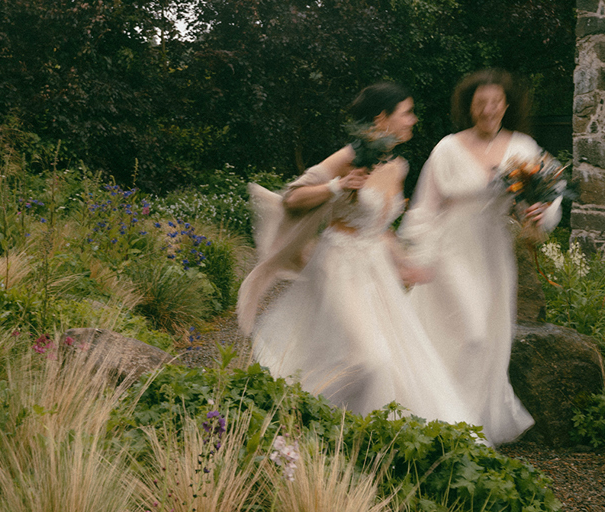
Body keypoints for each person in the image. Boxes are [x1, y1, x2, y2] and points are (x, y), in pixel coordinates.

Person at [237, 83, 476, 425]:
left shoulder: (397, 166)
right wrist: (338, 185)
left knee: (393, 363)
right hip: (339, 263)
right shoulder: (349, 156)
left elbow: (379, 226)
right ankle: (294, 416)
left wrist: (404, 262)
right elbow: (293, 197)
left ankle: (353, 433)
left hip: (375, 269)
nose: (413, 120)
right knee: (368, 359)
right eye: (406, 112)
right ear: (382, 117)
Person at [398, 69, 562, 446]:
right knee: (468, 333)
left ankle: (467, 427)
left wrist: (540, 212)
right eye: (480, 103)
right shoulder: (448, 148)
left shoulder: (524, 146)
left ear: (507, 105)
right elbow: (424, 207)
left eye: (496, 102)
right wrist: (414, 256)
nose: (489, 109)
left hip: (492, 253)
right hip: (450, 251)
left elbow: (546, 198)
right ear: (469, 108)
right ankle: (446, 421)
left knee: (486, 339)